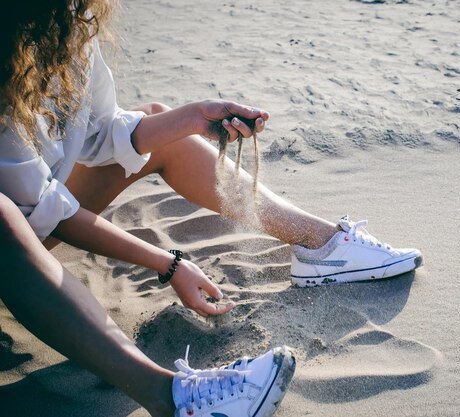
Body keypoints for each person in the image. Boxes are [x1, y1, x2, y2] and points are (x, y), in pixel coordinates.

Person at [0, 1, 422, 416]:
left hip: (29, 213)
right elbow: (43, 209)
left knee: (160, 121)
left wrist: (196, 118)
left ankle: (324, 246)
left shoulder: (67, 29)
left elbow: (101, 135)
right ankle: (169, 398)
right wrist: (169, 264)